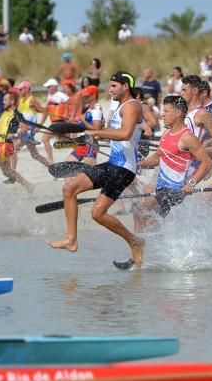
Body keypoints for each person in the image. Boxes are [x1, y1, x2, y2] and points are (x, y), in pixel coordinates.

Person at [48, 72, 145, 269]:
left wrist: (97, 132)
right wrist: (97, 135)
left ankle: (135, 241)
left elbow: (126, 133)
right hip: (112, 164)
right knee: (69, 189)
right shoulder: (119, 107)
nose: (110, 89)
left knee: (97, 214)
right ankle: (71, 238)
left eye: (114, 86)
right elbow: (114, 132)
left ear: (126, 86)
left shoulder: (133, 105)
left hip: (124, 168)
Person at [132, 95, 212, 232]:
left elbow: (206, 162)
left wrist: (191, 183)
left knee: (140, 213)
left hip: (176, 192)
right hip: (161, 189)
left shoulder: (187, 137)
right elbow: (159, 156)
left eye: (167, 111)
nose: (162, 114)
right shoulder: (166, 134)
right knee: (151, 221)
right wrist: (139, 164)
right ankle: (154, 249)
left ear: (178, 113)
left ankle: (140, 249)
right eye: (163, 111)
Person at [0, 91, 34, 194]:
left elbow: (25, 127)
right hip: (0, 144)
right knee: (7, 172)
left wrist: (15, 135)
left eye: (5, 100)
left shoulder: (17, 114)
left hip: (6, 145)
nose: (3, 102)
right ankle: (29, 186)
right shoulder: (4, 112)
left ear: (12, 101)